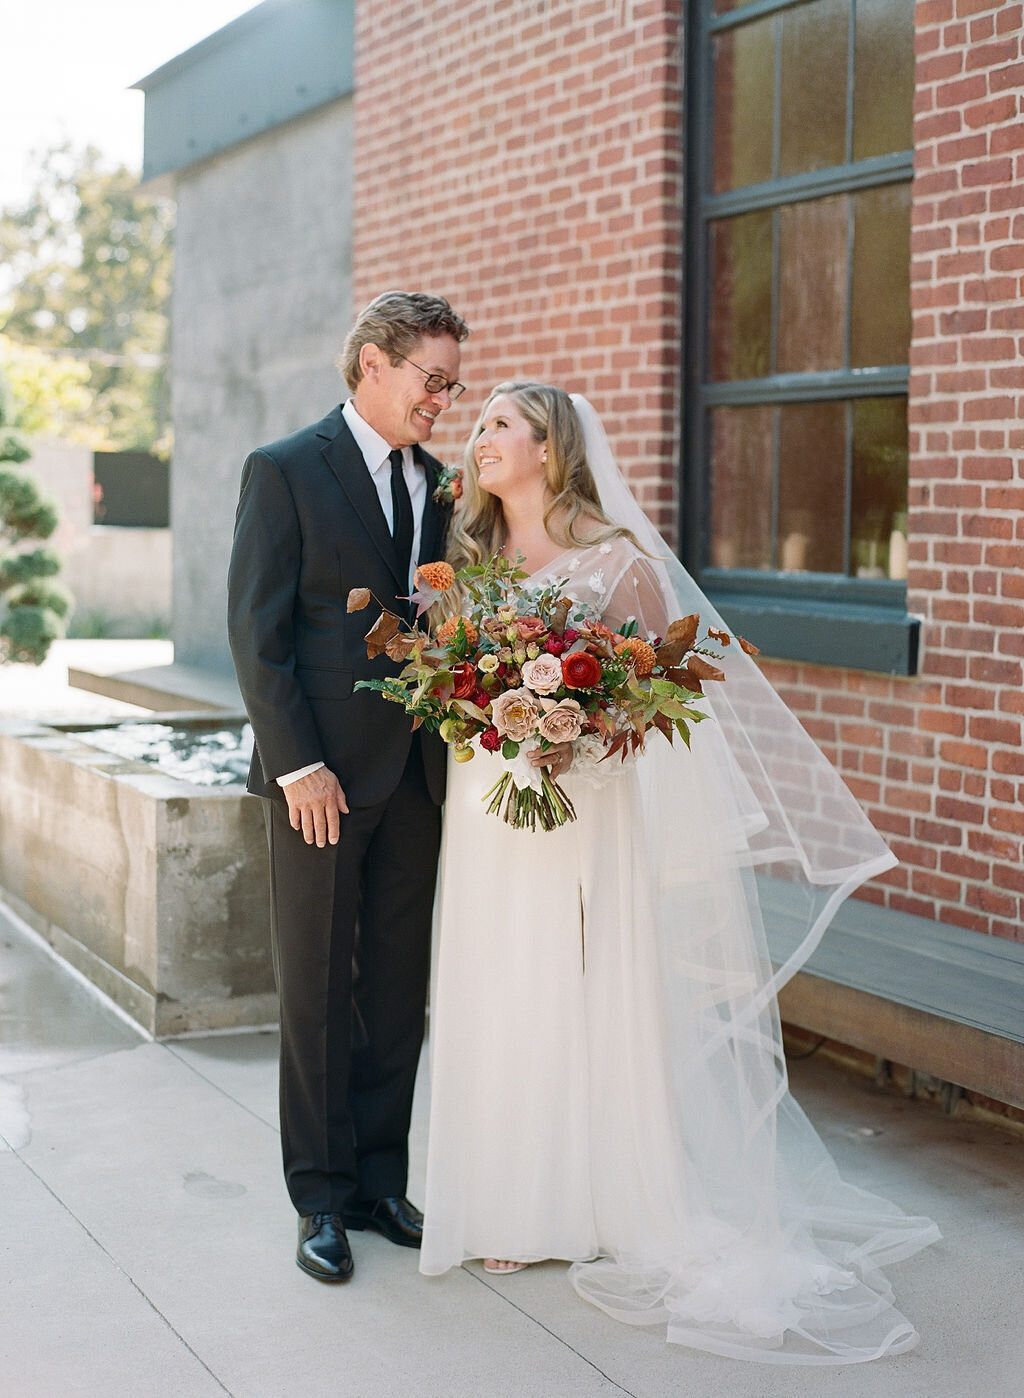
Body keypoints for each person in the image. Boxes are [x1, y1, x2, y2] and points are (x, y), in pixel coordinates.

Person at [419, 383, 940, 1363]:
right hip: (487, 809)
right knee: (500, 989)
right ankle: (512, 1205)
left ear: (549, 447)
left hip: (582, 810)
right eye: (478, 424)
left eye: (497, 425)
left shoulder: (616, 558)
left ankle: (608, 1201)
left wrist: (578, 727)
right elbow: (445, 683)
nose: (478, 440)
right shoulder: (473, 566)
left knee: (583, 989)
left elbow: (663, 697)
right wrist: (491, 713)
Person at [227, 291, 469, 1283]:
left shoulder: (446, 486)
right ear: (373, 363)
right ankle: (319, 1199)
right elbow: (259, 632)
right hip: (318, 779)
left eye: (454, 385)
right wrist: (296, 766)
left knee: (397, 987)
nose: (444, 402)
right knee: (320, 990)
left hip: (417, 773)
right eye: (432, 380)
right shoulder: (284, 470)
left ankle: (377, 1184)